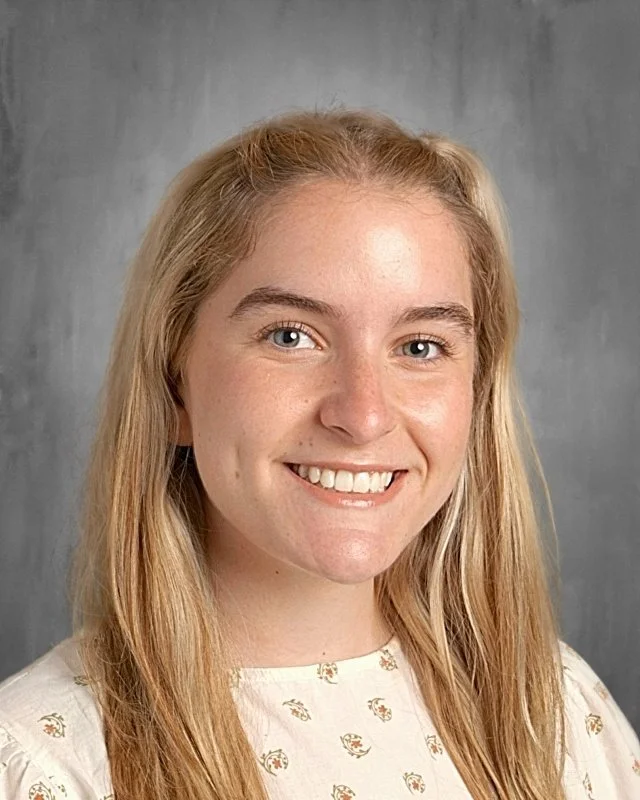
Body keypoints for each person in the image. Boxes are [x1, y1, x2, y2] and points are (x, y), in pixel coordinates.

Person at [0, 108, 638, 800]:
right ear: (174, 385)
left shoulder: (559, 714)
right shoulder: (42, 764)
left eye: (420, 347)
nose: (362, 416)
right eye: (291, 337)